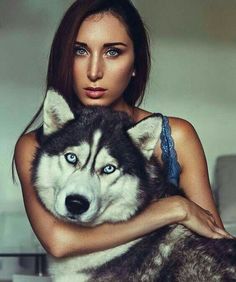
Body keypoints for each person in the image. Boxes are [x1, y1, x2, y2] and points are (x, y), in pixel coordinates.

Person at [14, 0, 232, 259]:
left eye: (113, 52)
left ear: (136, 63)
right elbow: (60, 242)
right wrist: (175, 208)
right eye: (80, 51)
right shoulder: (33, 145)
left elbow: (216, 245)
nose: (94, 71)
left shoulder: (175, 136)